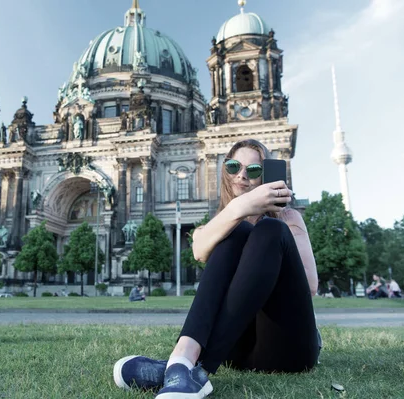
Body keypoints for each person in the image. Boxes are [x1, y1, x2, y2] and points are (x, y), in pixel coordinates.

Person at [113, 139, 319, 398]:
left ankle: (193, 371)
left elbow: (310, 287)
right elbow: (199, 250)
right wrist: (237, 210)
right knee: (236, 229)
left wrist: (261, 218)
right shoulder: (224, 219)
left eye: (253, 170)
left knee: (269, 229)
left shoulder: (290, 219)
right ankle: (182, 361)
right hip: (236, 352)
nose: (242, 175)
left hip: (287, 347)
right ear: (225, 171)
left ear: (265, 176)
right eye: (234, 166)